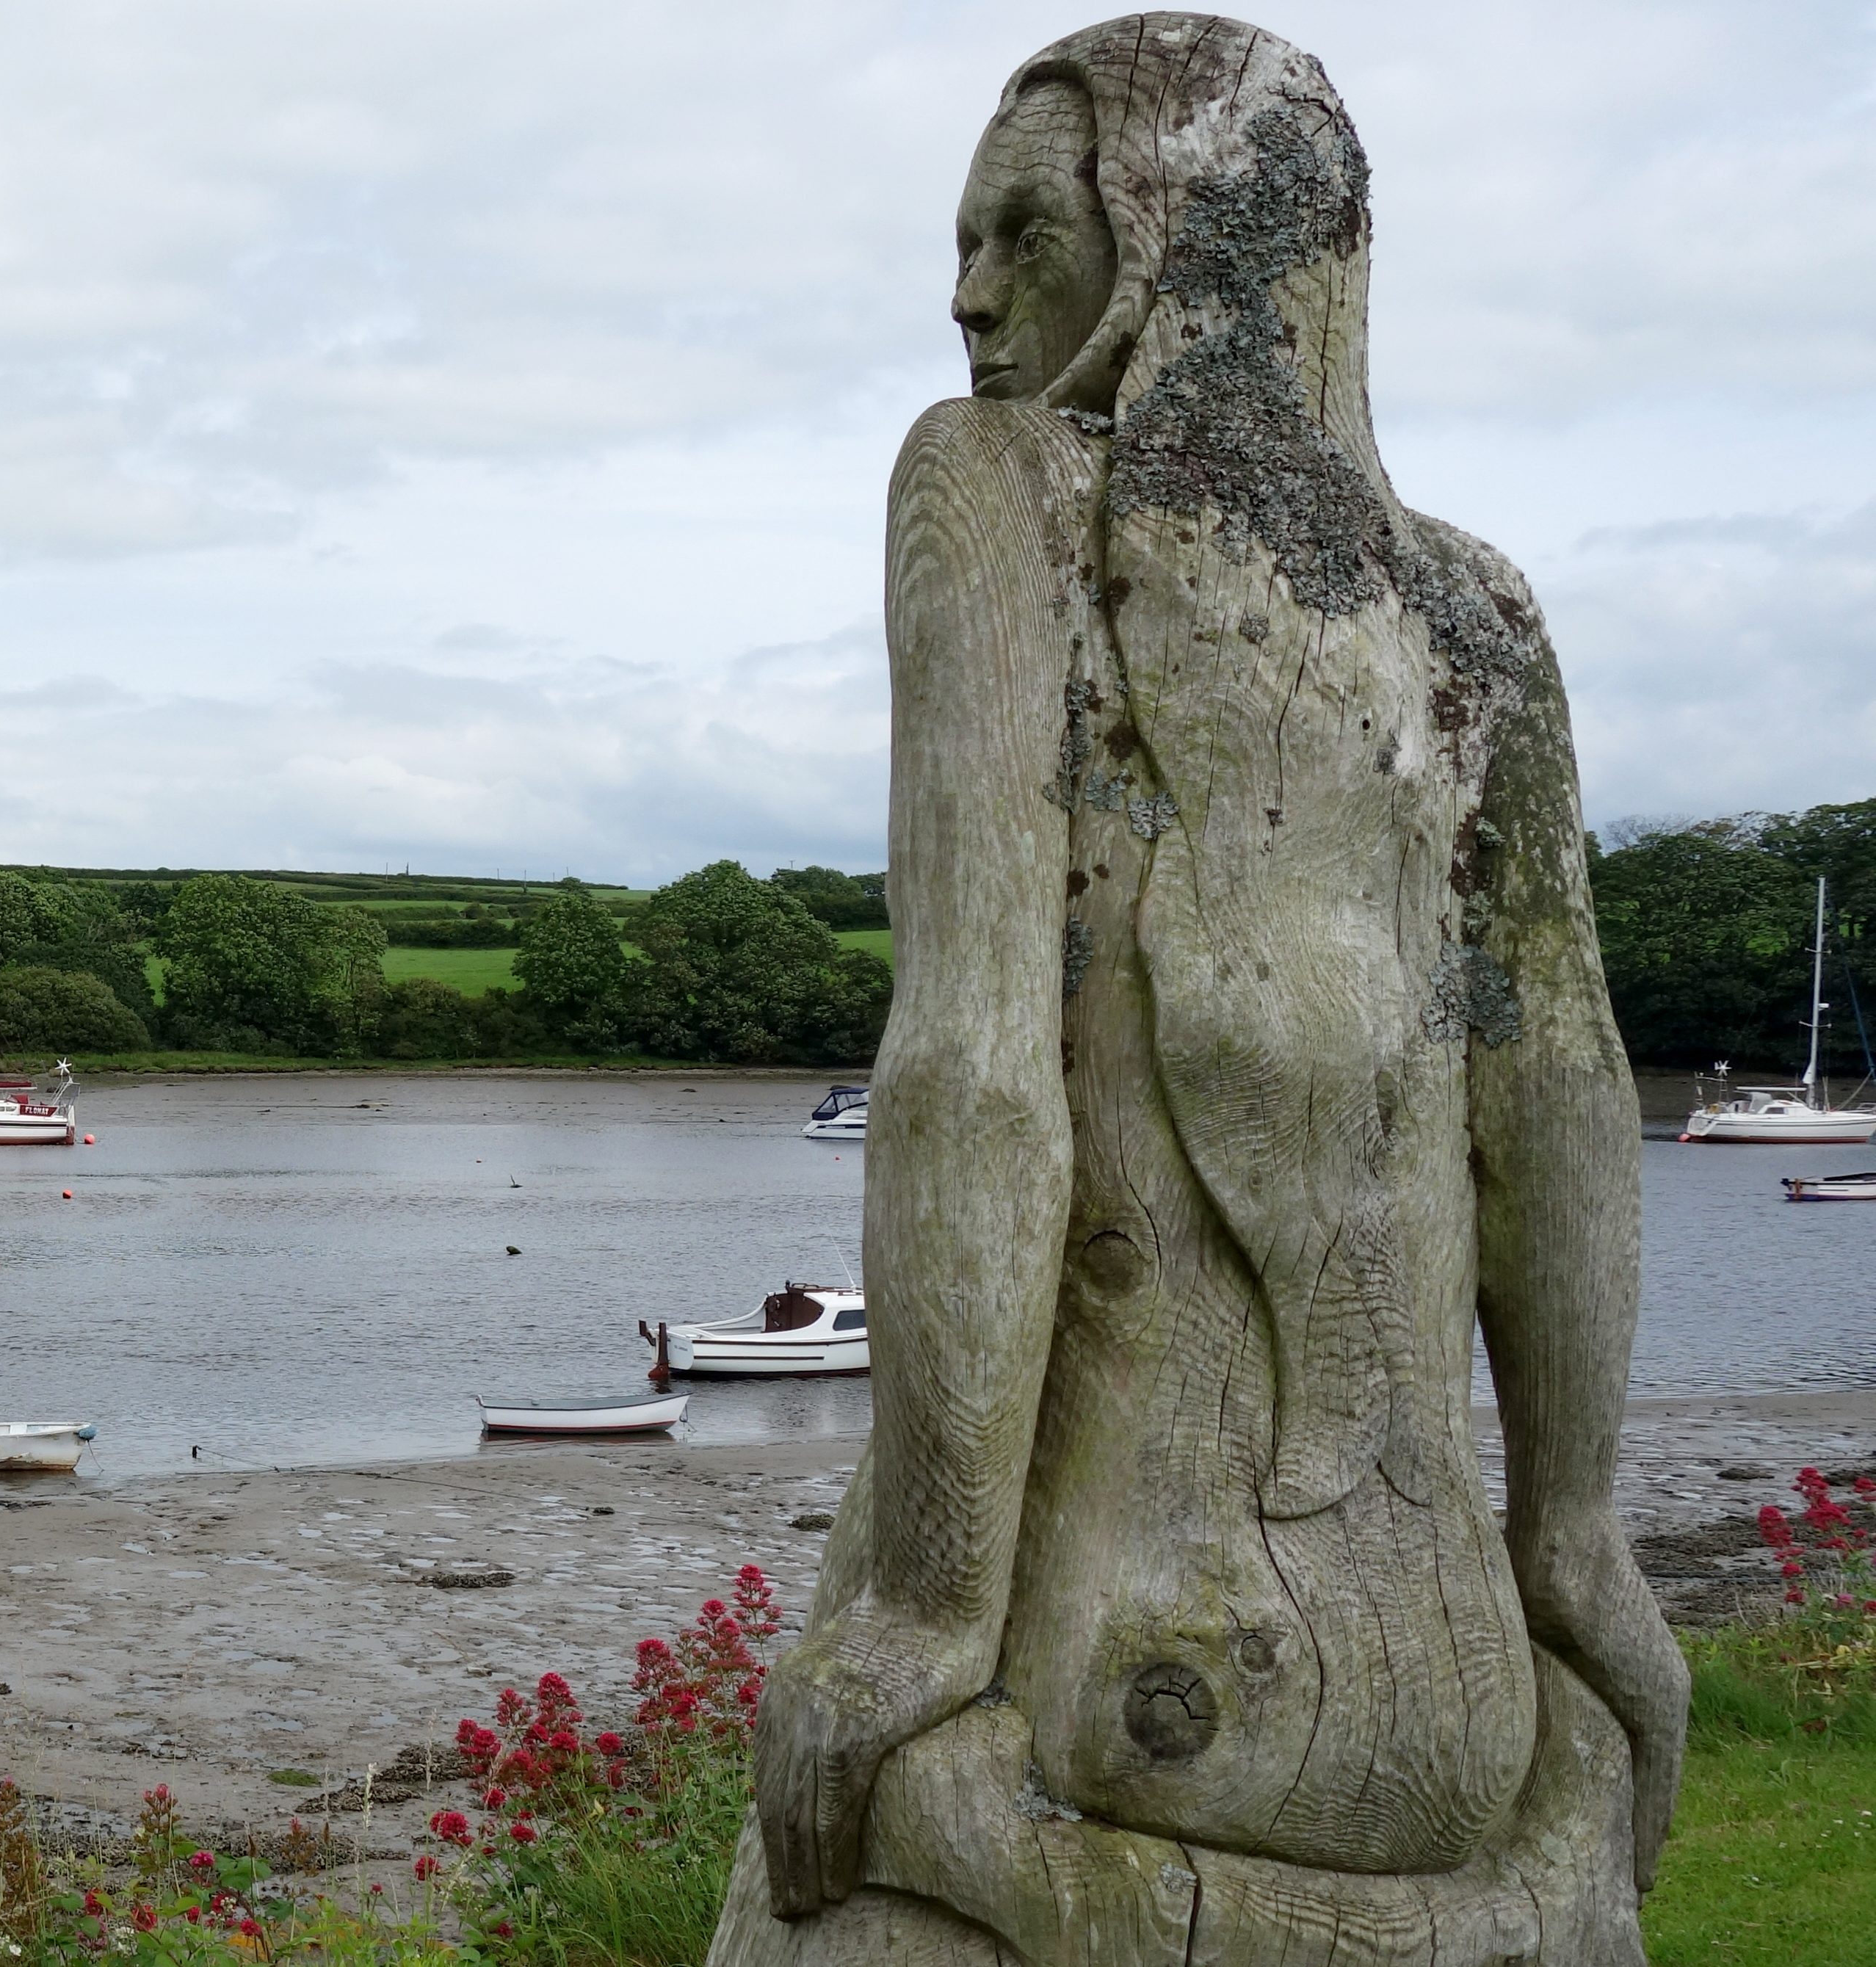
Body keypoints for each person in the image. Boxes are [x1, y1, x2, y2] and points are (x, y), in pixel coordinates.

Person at [713, 18, 1684, 1965]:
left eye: (1018, 233)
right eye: (959, 248)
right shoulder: (1476, 614)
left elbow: (975, 1080)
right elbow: (1562, 1092)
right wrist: (1578, 1549)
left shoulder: (993, 495)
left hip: (1119, 1676)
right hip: (1455, 1719)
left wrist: (913, 1619)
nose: (969, 299)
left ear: (1163, 237)